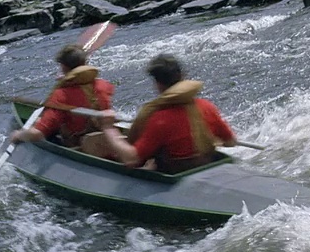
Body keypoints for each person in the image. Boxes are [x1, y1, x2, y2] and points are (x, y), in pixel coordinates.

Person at [98, 53, 237, 174]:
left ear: (158, 84)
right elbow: (231, 142)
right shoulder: (207, 106)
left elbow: (131, 159)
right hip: (207, 167)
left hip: (177, 176)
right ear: (182, 76)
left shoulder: (160, 119)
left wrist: (109, 129)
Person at [10, 44, 115, 148]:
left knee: (40, 125)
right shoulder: (104, 85)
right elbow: (85, 93)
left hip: (77, 144)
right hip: (105, 137)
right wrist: (70, 80)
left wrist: (18, 135)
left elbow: (38, 134)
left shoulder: (61, 96)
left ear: (63, 66)